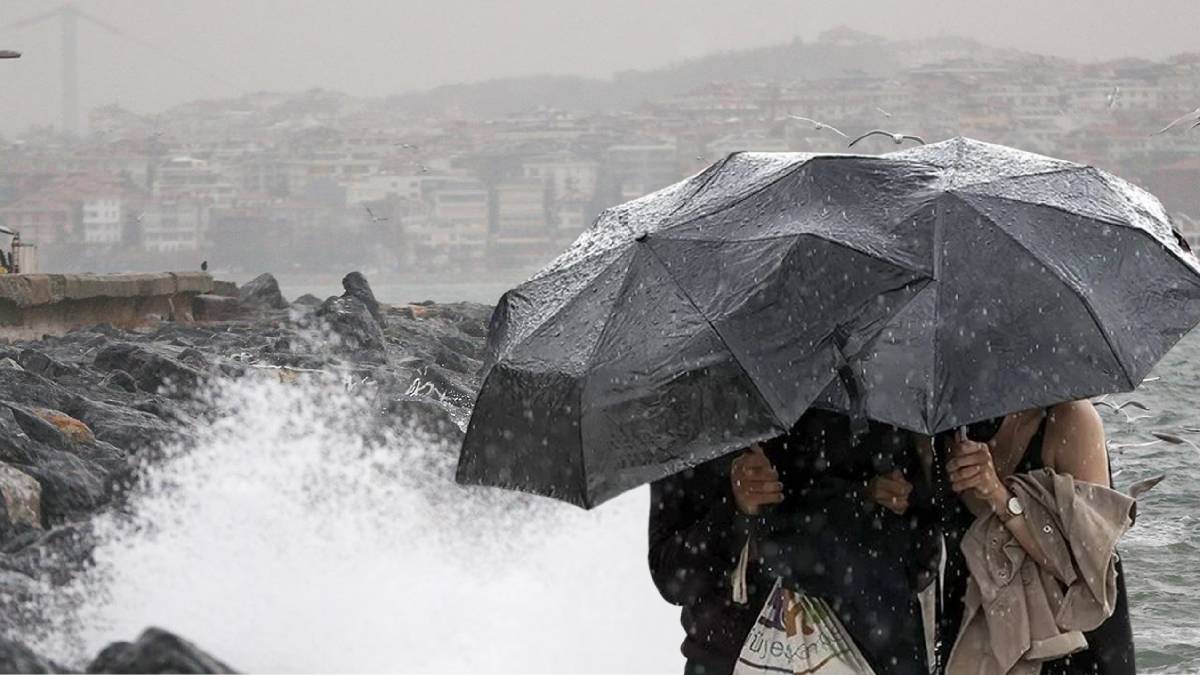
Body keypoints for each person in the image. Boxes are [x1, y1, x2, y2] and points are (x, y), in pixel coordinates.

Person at [648, 409, 936, 675]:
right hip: (730, 656)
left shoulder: (866, 393)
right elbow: (672, 577)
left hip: (863, 649)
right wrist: (734, 511)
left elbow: (922, 547)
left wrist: (867, 499)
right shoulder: (689, 417)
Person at [936, 401, 1136, 674]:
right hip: (979, 632)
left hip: (1070, 639)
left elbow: (1087, 565)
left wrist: (999, 495)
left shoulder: (1073, 419)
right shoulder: (946, 427)